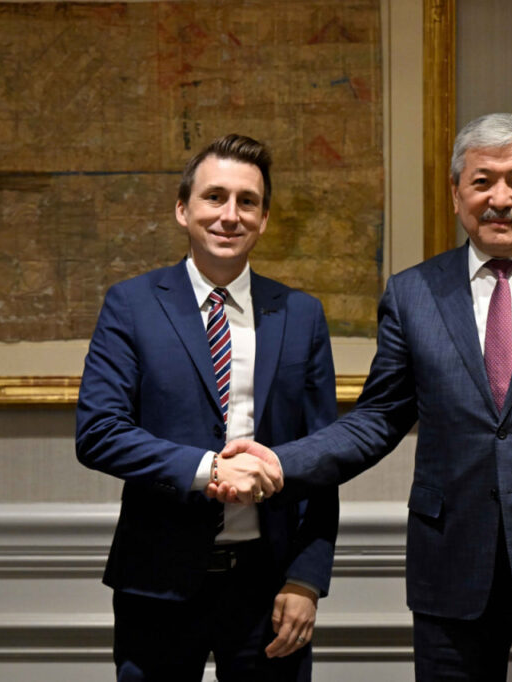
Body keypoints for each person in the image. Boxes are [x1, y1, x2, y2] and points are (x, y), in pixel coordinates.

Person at [215, 113, 512, 681]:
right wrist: (280, 462)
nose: (500, 199)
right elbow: (377, 420)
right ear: (457, 193)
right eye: (482, 182)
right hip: (452, 569)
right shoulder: (413, 293)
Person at [76, 133, 339, 681]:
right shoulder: (131, 305)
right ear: (183, 209)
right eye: (214, 197)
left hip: (269, 586)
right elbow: (99, 432)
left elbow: (322, 456)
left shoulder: (301, 314)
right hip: (157, 583)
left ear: (264, 219)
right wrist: (209, 470)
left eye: (247, 201)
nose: (230, 215)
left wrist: (307, 579)